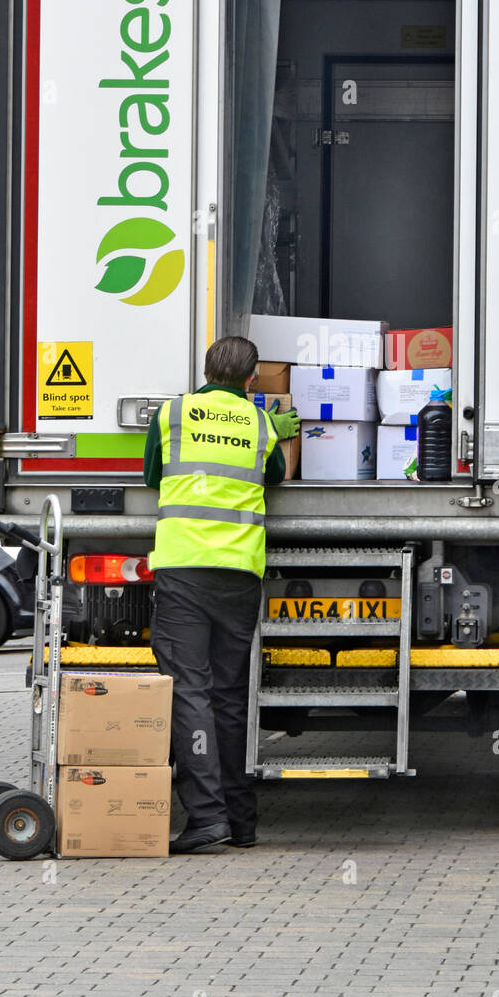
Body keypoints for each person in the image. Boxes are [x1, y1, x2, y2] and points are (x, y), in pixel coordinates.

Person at [143, 336, 300, 854]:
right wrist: (283, 437)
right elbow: (276, 479)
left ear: (206, 370)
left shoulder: (172, 415)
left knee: (189, 689)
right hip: (239, 573)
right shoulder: (259, 425)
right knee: (230, 695)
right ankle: (241, 820)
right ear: (251, 380)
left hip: (185, 569)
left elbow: (151, 477)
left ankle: (206, 816)